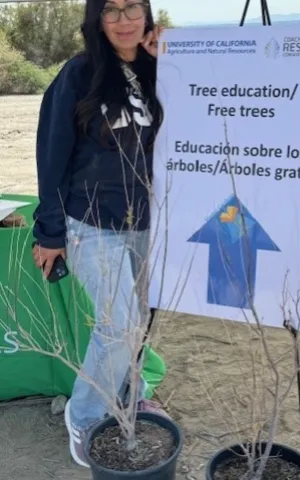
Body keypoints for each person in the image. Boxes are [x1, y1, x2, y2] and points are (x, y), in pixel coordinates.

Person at [32, 0, 166, 468]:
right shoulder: (79, 74)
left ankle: (133, 391)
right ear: (97, 18)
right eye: (112, 9)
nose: (125, 19)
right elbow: (51, 155)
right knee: (119, 326)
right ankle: (85, 414)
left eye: (134, 7)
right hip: (91, 221)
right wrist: (49, 232)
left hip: (148, 221)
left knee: (141, 320)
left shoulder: (157, 69)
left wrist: (169, 59)